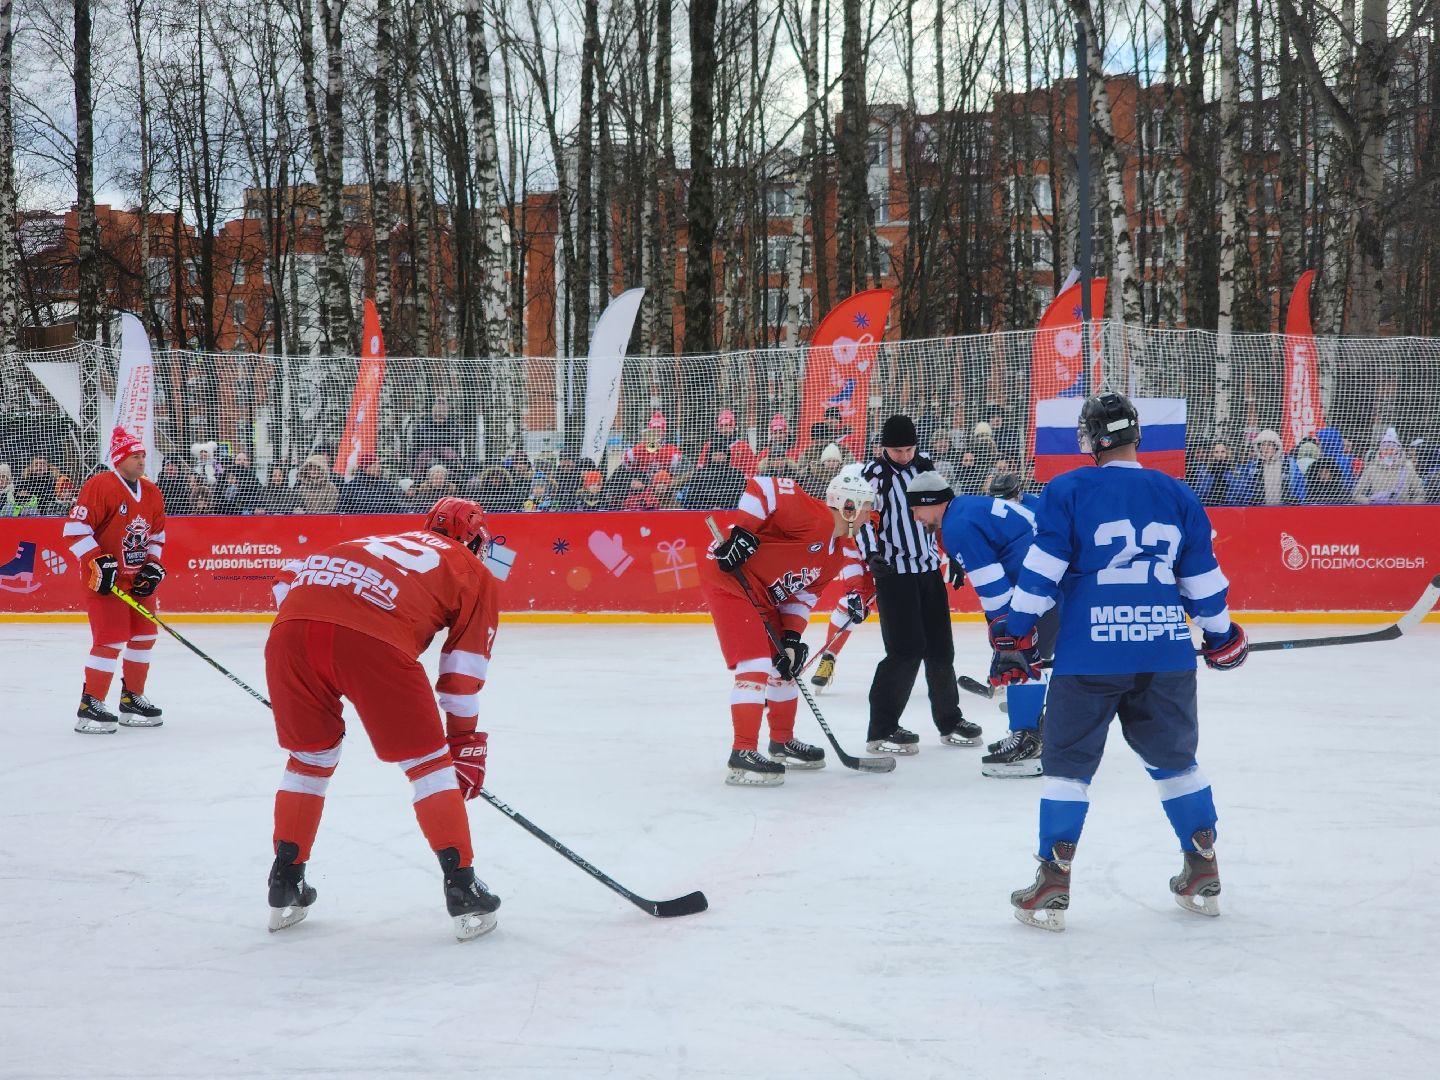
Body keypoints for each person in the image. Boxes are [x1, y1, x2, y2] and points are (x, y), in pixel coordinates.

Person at [995, 391, 1247, 932]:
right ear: (1137, 436)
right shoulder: (1177, 494)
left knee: (1067, 767)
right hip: (1165, 653)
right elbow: (1201, 583)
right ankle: (1202, 867)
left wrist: (1013, 635)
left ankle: (1053, 880)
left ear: (1089, 440)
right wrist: (1223, 637)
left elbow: (1040, 574)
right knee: (1176, 762)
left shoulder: (1066, 489)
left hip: (1090, 655)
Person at [263, 497, 502, 941]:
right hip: (373, 641)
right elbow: (462, 672)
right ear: (473, 539)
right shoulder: (473, 571)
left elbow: (285, 582)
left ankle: (286, 878)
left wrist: (310, 655)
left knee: (309, 759)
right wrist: (461, 742)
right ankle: (463, 887)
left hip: (289, 634)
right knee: (429, 767)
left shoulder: (370, 539)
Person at [701, 469, 874, 786]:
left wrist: (792, 638)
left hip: (763, 592)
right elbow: (763, 486)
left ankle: (781, 741)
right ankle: (742, 753)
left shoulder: (835, 553)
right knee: (755, 663)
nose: (869, 516)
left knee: (786, 666)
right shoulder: (816, 518)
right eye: (867, 508)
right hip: (728, 578)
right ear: (849, 506)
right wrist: (742, 532)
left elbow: (803, 595)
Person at [858, 414, 979, 754]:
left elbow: (946, 512)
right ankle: (882, 729)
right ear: (884, 448)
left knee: (941, 649)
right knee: (904, 651)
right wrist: (871, 556)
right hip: (894, 574)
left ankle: (950, 720)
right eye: (897, 451)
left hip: (927, 571)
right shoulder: (873, 476)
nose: (905, 456)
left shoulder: (925, 469)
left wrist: (954, 554)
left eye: (909, 449)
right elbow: (864, 520)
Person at [938, 470, 1053, 778]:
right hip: (1043, 588)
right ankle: (1032, 733)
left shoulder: (1036, 506)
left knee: (1023, 654)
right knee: (1025, 655)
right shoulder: (1002, 510)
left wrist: (1003, 635)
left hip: (1043, 589)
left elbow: (996, 589)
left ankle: (1029, 738)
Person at [65, 427, 169, 734]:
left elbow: (157, 535)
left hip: (137, 581)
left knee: (144, 636)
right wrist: (98, 560)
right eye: (135, 456)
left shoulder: (151, 491)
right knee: (110, 640)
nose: (141, 461)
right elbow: (75, 530)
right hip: (105, 579)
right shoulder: (101, 485)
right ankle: (90, 703)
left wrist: (153, 566)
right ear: (119, 458)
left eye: (143, 456)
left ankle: (132, 697)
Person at [808, 465, 876, 693]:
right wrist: (855, 594)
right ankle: (828, 657)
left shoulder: (877, 513)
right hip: (871, 572)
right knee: (848, 607)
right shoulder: (846, 523)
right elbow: (850, 559)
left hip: (898, 570)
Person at [1352, 428, 1425, 504]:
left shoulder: (1407, 467)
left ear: (1398, 450)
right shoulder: (1372, 468)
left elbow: (1420, 495)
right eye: (1385, 449)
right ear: (1381, 450)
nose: (1389, 452)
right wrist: (1370, 503)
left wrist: (1410, 509)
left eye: (1392, 449)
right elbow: (1357, 494)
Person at [1238, 429, 1305, 505]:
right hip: (1260, 511)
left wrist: (1297, 504)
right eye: (1263, 445)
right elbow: (1246, 489)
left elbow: (1300, 486)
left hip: (1287, 510)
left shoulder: (1290, 464)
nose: (1265, 448)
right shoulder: (1253, 466)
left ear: (1276, 446)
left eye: (1269, 445)